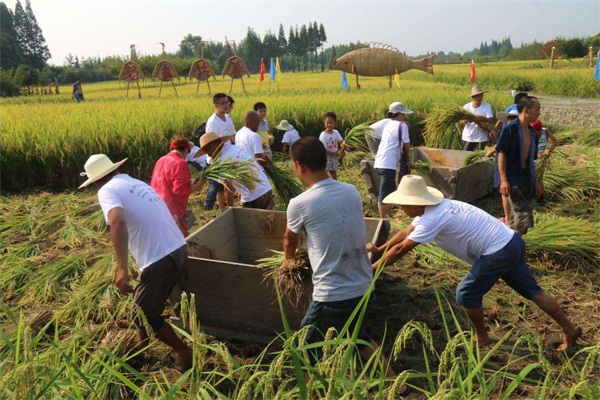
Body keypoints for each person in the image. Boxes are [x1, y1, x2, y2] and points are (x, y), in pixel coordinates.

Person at [368, 175, 582, 351]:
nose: (402, 209)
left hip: (498, 251)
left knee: (466, 293)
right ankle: (569, 328)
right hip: (511, 241)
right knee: (533, 291)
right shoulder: (437, 208)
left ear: (415, 203)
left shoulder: (433, 217)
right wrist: (379, 249)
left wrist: (371, 271)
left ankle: (481, 337)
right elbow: (406, 232)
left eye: (403, 205)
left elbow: (401, 249)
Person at [283, 137, 409, 396]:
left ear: (298, 166)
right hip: (364, 283)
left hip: (333, 293)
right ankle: (397, 384)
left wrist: (287, 262)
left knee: (305, 348)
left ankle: (313, 392)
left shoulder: (300, 203)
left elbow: (289, 240)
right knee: (356, 336)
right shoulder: (350, 189)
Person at [79, 154, 194, 371]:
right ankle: (142, 350)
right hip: (178, 248)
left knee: (142, 315)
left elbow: (117, 221)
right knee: (145, 306)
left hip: (160, 257)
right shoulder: (134, 182)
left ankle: (185, 352)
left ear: (95, 181)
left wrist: (122, 267)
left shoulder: (106, 190)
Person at [497, 96, 543, 234]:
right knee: (522, 216)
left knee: (520, 217)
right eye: (537, 109)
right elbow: (501, 154)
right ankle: (516, 247)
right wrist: (504, 179)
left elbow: (531, 161)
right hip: (513, 178)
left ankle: (512, 242)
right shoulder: (509, 130)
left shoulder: (532, 133)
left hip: (526, 178)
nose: (539, 112)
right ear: (526, 110)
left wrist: (535, 183)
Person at [200, 131, 274, 209]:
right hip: (266, 188)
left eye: (207, 150)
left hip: (254, 196)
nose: (208, 155)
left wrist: (231, 210)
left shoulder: (222, 161)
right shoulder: (234, 148)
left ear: (214, 145)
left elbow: (228, 189)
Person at [151, 135, 205, 237]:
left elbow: (165, 181)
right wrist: (200, 184)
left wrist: (190, 182)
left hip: (157, 205)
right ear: (185, 150)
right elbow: (180, 191)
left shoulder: (160, 160)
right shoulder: (180, 163)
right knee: (179, 240)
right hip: (172, 210)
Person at [373, 102, 413, 219]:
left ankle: (387, 215)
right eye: (403, 114)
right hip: (388, 164)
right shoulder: (402, 125)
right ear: (398, 114)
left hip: (380, 161)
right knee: (385, 192)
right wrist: (407, 157)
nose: (404, 116)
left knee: (390, 190)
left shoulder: (388, 124)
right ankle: (382, 219)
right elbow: (407, 144)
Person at [204, 93, 236, 210]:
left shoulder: (228, 118)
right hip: (216, 160)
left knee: (230, 187)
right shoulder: (213, 122)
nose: (226, 105)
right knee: (220, 189)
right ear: (216, 105)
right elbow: (210, 144)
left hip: (228, 157)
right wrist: (217, 161)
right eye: (222, 103)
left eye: (227, 102)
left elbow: (233, 136)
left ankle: (232, 208)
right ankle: (223, 210)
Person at [460, 85, 493, 151]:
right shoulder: (466, 107)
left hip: (481, 138)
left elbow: (490, 120)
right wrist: (467, 120)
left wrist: (482, 118)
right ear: (473, 97)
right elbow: (461, 122)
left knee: (479, 159)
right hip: (468, 138)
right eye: (477, 96)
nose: (479, 98)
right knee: (465, 157)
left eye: (481, 95)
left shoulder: (486, 106)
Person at [319, 112, 344, 180]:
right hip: (326, 156)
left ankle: (334, 186)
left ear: (335, 123)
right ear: (324, 122)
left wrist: (343, 146)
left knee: (333, 174)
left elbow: (341, 141)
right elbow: (324, 150)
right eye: (327, 122)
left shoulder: (336, 132)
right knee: (323, 174)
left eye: (331, 123)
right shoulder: (323, 135)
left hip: (334, 156)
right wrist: (338, 154)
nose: (329, 125)